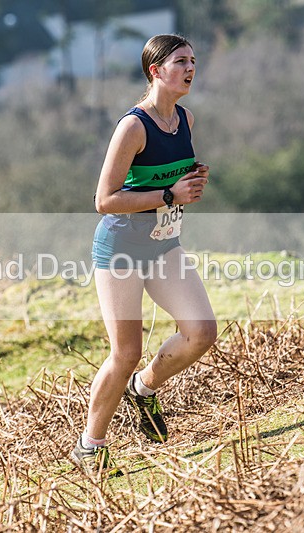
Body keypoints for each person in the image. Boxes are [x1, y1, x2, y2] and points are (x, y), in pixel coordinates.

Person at [71, 34, 218, 476]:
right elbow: (104, 199)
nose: (190, 68)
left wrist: (190, 184)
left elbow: (169, 184)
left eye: (193, 60)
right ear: (156, 71)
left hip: (163, 245)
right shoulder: (133, 126)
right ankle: (89, 446)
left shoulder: (186, 119)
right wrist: (169, 194)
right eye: (180, 61)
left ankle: (144, 388)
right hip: (120, 249)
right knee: (125, 352)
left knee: (201, 332)